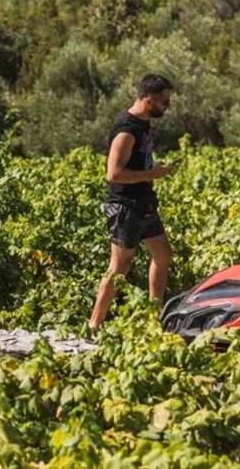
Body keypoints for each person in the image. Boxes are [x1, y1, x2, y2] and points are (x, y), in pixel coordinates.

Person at [90, 74, 176, 332]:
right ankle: (94, 324)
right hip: (125, 205)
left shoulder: (144, 125)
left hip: (144, 201)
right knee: (120, 266)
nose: (167, 107)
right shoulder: (127, 130)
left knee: (163, 255)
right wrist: (154, 174)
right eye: (164, 101)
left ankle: (153, 319)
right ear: (148, 100)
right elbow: (113, 174)